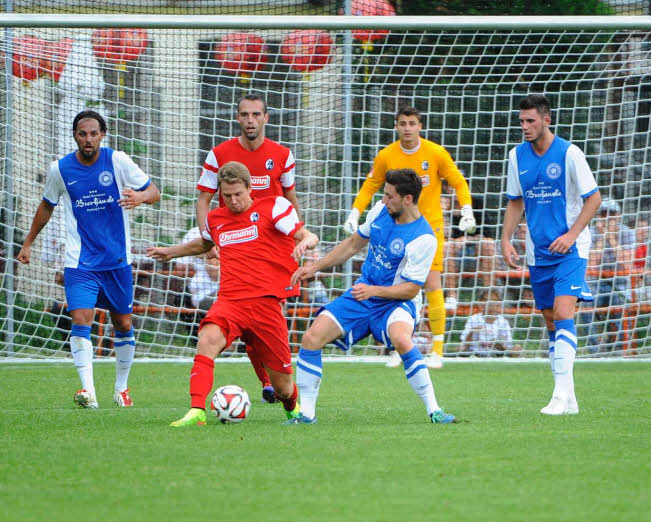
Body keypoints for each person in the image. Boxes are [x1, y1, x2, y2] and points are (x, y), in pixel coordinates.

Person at [148, 161, 319, 427]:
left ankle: (293, 408)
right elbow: (205, 243)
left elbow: (303, 233)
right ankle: (197, 411)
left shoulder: (273, 206)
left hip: (266, 305)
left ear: (250, 188)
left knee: (283, 386)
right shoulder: (216, 219)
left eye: (238, 194)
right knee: (207, 339)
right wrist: (170, 252)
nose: (233, 201)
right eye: (226, 196)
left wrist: (307, 240)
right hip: (230, 301)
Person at [288, 169, 458, 425]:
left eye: (390, 196)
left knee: (402, 339)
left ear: (408, 199)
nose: (384, 200)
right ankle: (306, 416)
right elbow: (353, 244)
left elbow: (411, 289)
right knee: (312, 337)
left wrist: (374, 291)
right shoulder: (380, 211)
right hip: (363, 294)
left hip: (397, 303)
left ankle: (434, 410)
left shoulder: (424, 238)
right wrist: (315, 267)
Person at [17, 110, 161, 409]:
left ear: (102, 135)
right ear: (75, 136)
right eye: (82, 133)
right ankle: (88, 392)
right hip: (79, 261)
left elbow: (154, 191)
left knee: (123, 323)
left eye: (93, 133)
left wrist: (139, 197)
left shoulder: (117, 161)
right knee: (81, 318)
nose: (88, 139)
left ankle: (121, 388)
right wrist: (28, 242)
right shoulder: (60, 169)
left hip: (117, 260)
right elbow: (47, 206)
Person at [342, 106, 476, 368]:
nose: (407, 128)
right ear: (396, 126)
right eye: (402, 123)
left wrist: (467, 210)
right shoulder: (387, 155)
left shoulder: (435, 153)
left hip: (430, 229)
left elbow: (458, 181)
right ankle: (397, 346)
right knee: (395, 283)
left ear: (420, 126)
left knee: (432, 282)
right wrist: (355, 213)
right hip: (396, 228)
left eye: (412, 123)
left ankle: (438, 350)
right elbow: (371, 185)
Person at [196, 93, 300, 404]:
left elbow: (292, 199)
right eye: (245, 114)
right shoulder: (219, 154)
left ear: (266, 118)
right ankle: (268, 382)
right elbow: (203, 200)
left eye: (256, 114)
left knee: (267, 316)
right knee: (242, 313)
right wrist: (208, 239)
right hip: (237, 242)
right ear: (238, 118)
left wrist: (300, 236)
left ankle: (277, 381)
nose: (250, 120)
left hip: (275, 244)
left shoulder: (282, 155)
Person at [502, 94, 601, 415]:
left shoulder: (570, 153)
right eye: (522, 121)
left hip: (572, 249)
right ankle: (569, 398)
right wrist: (505, 239)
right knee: (549, 320)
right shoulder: (517, 156)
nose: (525, 127)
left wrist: (571, 234)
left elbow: (594, 199)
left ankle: (559, 395)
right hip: (538, 251)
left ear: (547, 120)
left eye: (531, 121)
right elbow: (515, 201)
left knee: (562, 312)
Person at [583, 199, 633, 353]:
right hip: (596, 283)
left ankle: (619, 348)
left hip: (619, 284)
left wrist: (611, 238)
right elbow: (591, 265)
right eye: (604, 214)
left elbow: (626, 264)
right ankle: (595, 349)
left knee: (618, 302)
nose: (607, 219)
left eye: (611, 215)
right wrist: (602, 237)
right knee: (585, 303)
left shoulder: (627, 233)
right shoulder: (590, 233)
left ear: (618, 216)